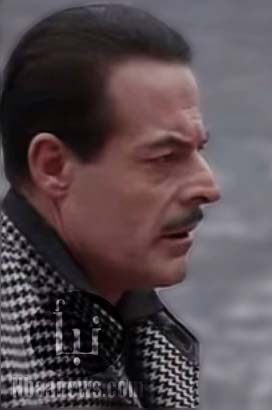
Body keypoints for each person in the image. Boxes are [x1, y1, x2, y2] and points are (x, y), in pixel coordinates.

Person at [0, 4, 220, 408]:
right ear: (53, 167)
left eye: (198, 150)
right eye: (164, 157)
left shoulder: (132, 329)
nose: (208, 187)